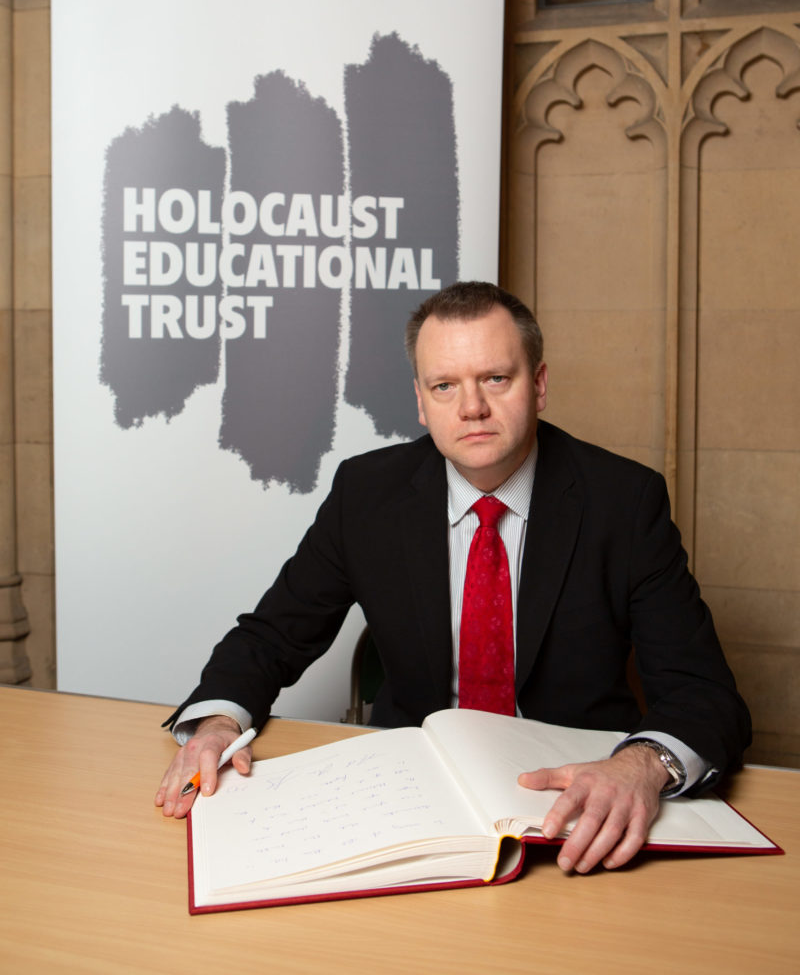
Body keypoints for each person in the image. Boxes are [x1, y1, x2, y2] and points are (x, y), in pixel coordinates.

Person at [156, 281, 750, 874]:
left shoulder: (624, 501)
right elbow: (272, 636)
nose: (472, 408)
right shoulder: (367, 494)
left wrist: (641, 765)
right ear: (421, 401)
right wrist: (216, 724)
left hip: (574, 797)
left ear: (538, 384)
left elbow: (704, 693)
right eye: (446, 386)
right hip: (413, 793)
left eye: (496, 378)